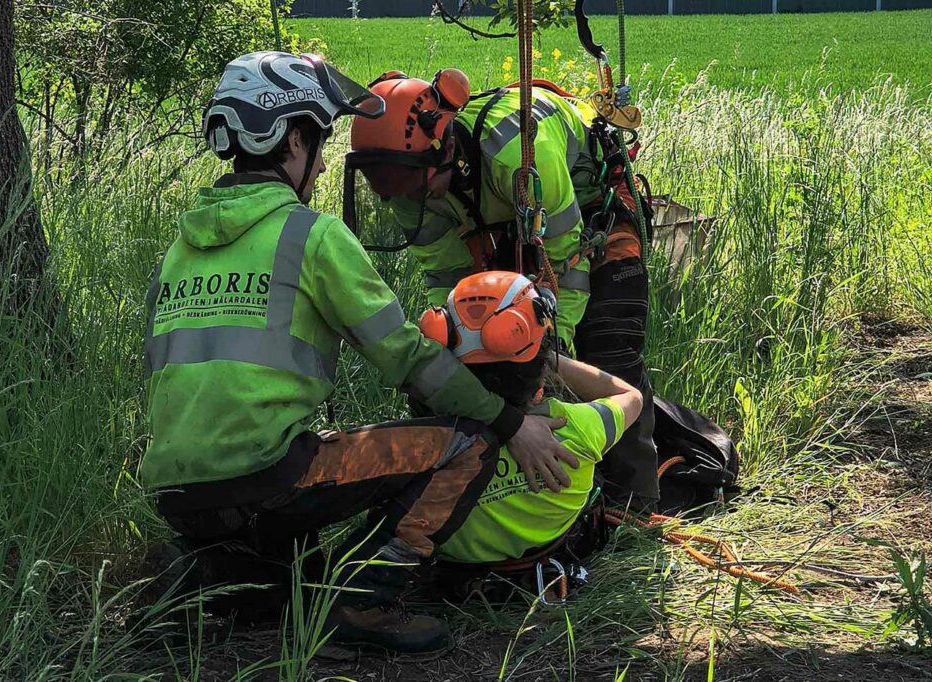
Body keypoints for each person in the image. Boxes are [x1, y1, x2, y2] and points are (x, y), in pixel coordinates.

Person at [140, 51, 580, 658]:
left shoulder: (179, 251)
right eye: (318, 145)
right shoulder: (308, 234)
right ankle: (359, 603)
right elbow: (407, 356)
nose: (321, 168)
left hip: (176, 494)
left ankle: (219, 576)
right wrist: (510, 422)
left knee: (284, 575)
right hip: (270, 478)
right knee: (466, 445)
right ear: (291, 137)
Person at [348, 69, 659, 511]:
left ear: (446, 147)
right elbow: (446, 278)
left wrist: (548, 351)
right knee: (490, 363)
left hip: (590, 219)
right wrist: (458, 345)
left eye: (409, 184)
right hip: (512, 229)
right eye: (387, 185)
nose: (399, 198)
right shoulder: (407, 184)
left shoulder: (516, 153)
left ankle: (637, 505)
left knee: (609, 348)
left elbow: (564, 263)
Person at [416, 270, 642, 566]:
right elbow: (631, 397)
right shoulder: (578, 428)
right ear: (539, 368)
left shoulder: (426, 447)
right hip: (555, 565)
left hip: (456, 578)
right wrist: (549, 357)